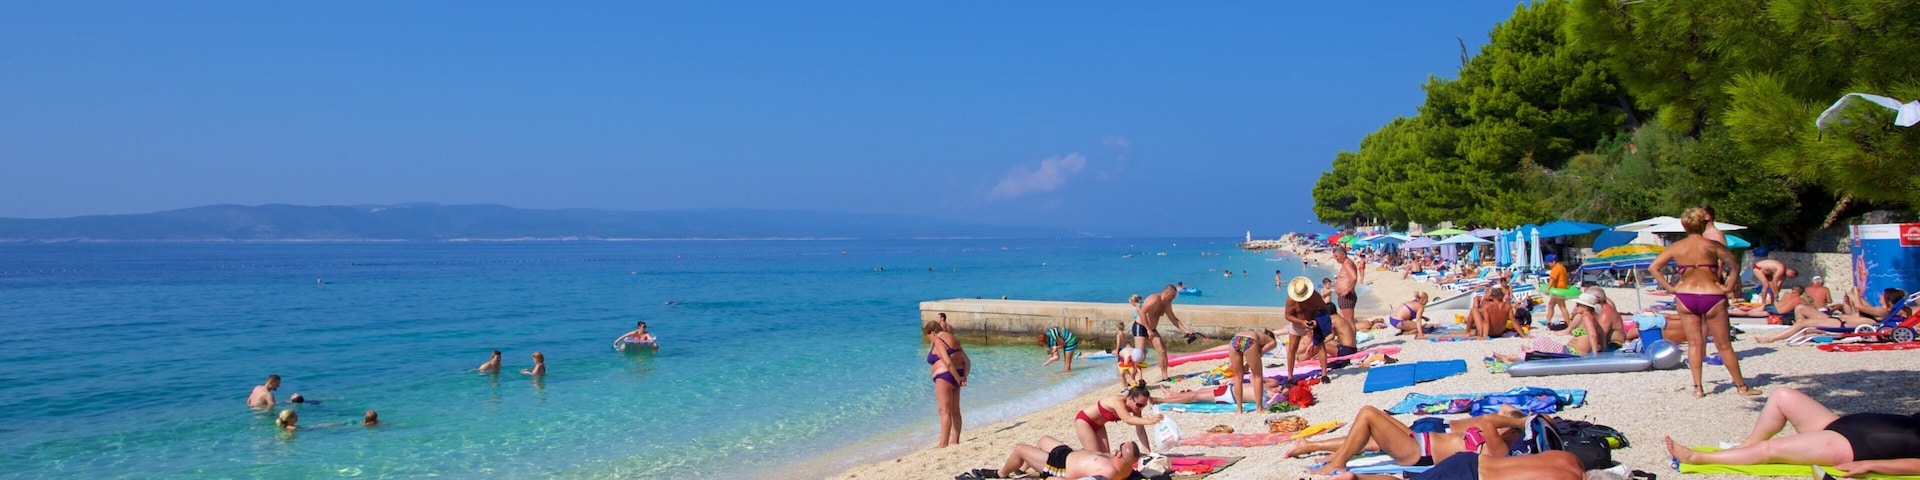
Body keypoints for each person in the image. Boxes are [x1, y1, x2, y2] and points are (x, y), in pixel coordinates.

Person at [1664, 387, 1920, 476]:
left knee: (1771, 450)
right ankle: (1746, 446)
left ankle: (1699, 458)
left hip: (1854, 447)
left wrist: (1870, 466)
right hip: (1843, 425)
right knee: (1782, 396)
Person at [1648, 207, 1759, 397]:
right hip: (1712, 295)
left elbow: (1654, 267)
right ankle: (1741, 387)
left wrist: (1670, 288)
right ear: (1703, 224)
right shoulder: (1712, 245)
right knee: (1723, 345)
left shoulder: (1677, 247)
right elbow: (1734, 265)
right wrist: (1728, 286)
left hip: (1685, 295)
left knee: (1694, 344)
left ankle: (1698, 388)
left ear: (1684, 226)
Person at [1299, 405, 1537, 475]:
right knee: (1377, 416)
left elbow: (1488, 420)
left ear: (1514, 433)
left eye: (1509, 427)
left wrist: (1518, 423)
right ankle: (1318, 448)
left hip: (1419, 455)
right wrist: (1517, 419)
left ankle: (1339, 462)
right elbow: (1505, 410)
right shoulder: (1497, 438)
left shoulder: (1499, 449)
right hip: (1420, 440)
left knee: (1367, 414)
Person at [981, 437, 1140, 480]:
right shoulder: (1126, 466)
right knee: (1044, 440)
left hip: (1059, 467)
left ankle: (1001, 474)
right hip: (1067, 454)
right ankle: (1021, 469)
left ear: (1120, 454)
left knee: (1020, 449)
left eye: (1120, 447)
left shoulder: (1108, 472)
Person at [1133, 285, 1200, 380]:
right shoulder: (1154, 299)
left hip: (1152, 329)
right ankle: (1133, 378)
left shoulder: (1167, 304)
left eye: (1174, 296)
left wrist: (1186, 330)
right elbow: (1142, 312)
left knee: (1162, 350)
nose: (1173, 298)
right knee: (1140, 355)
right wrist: (1148, 329)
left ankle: (1164, 376)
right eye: (1172, 296)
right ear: (1166, 293)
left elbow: (1173, 319)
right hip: (1141, 326)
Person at [1072, 386, 1162, 455]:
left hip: (1099, 425)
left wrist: (1148, 453)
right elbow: (1127, 419)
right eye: (1139, 405)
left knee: (1106, 456)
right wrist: (1150, 420)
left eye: (1143, 405)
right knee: (1095, 456)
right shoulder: (1117, 401)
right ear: (1130, 398)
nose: (1141, 408)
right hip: (1085, 421)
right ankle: (1072, 451)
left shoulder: (1136, 408)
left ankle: (1083, 450)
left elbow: (1140, 429)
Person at [1284, 277, 1332, 383]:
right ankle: (1290, 377)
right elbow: (1287, 315)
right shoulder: (1291, 300)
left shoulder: (1315, 297)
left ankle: (1324, 374)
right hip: (1298, 322)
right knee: (1292, 348)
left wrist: (1317, 322)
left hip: (1314, 320)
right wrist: (1301, 322)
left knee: (1320, 345)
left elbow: (1324, 309)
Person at [925, 321, 965, 448]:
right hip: (956, 374)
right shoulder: (954, 339)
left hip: (945, 376)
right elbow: (967, 361)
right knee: (955, 410)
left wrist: (957, 377)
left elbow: (947, 362)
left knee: (944, 411)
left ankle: (943, 443)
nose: (930, 340)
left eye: (929, 337)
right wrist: (963, 376)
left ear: (932, 333)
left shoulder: (938, 340)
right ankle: (955, 440)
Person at [1225, 329, 1280, 412]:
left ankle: (1239, 409)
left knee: (1237, 377)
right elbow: (1260, 353)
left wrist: (1247, 364)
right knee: (1257, 376)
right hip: (1249, 341)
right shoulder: (1272, 341)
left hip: (1235, 339)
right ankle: (1259, 408)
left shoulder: (1256, 333)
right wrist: (1248, 364)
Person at [1155, 376, 1284, 405]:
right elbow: (1254, 376)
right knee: (1198, 392)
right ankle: (1172, 394)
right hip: (1229, 389)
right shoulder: (1271, 385)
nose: (1280, 388)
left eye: (1282, 389)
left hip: (1230, 396)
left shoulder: (1271, 395)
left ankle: (1161, 400)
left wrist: (1280, 393)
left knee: (1195, 397)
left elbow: (1273, 401)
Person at [1331, 244, 1361, 350]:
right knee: (1347, 320)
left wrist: (1347, 290)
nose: (1336, 259)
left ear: (1343, 255)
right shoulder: (1346, 263)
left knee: (1348, 321)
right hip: (1344, 296)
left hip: (1347, 296)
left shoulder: (1347, 263)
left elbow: (1353, 277)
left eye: (1337, 257)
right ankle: (1350, 343)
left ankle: (1352, 345)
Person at [1544, 255, 1571, 326]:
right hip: (1560, 289)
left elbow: (1552, 280)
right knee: (1550, 305)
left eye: (1549, 263)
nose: (1548, 265)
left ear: (1553, 262)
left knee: (1562, 307)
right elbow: (1566, 278)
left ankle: (1568, 323)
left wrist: (1547, 289)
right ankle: (1548, 321)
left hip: (1558, 290)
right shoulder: (1562, 267)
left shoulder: (1556, 268)